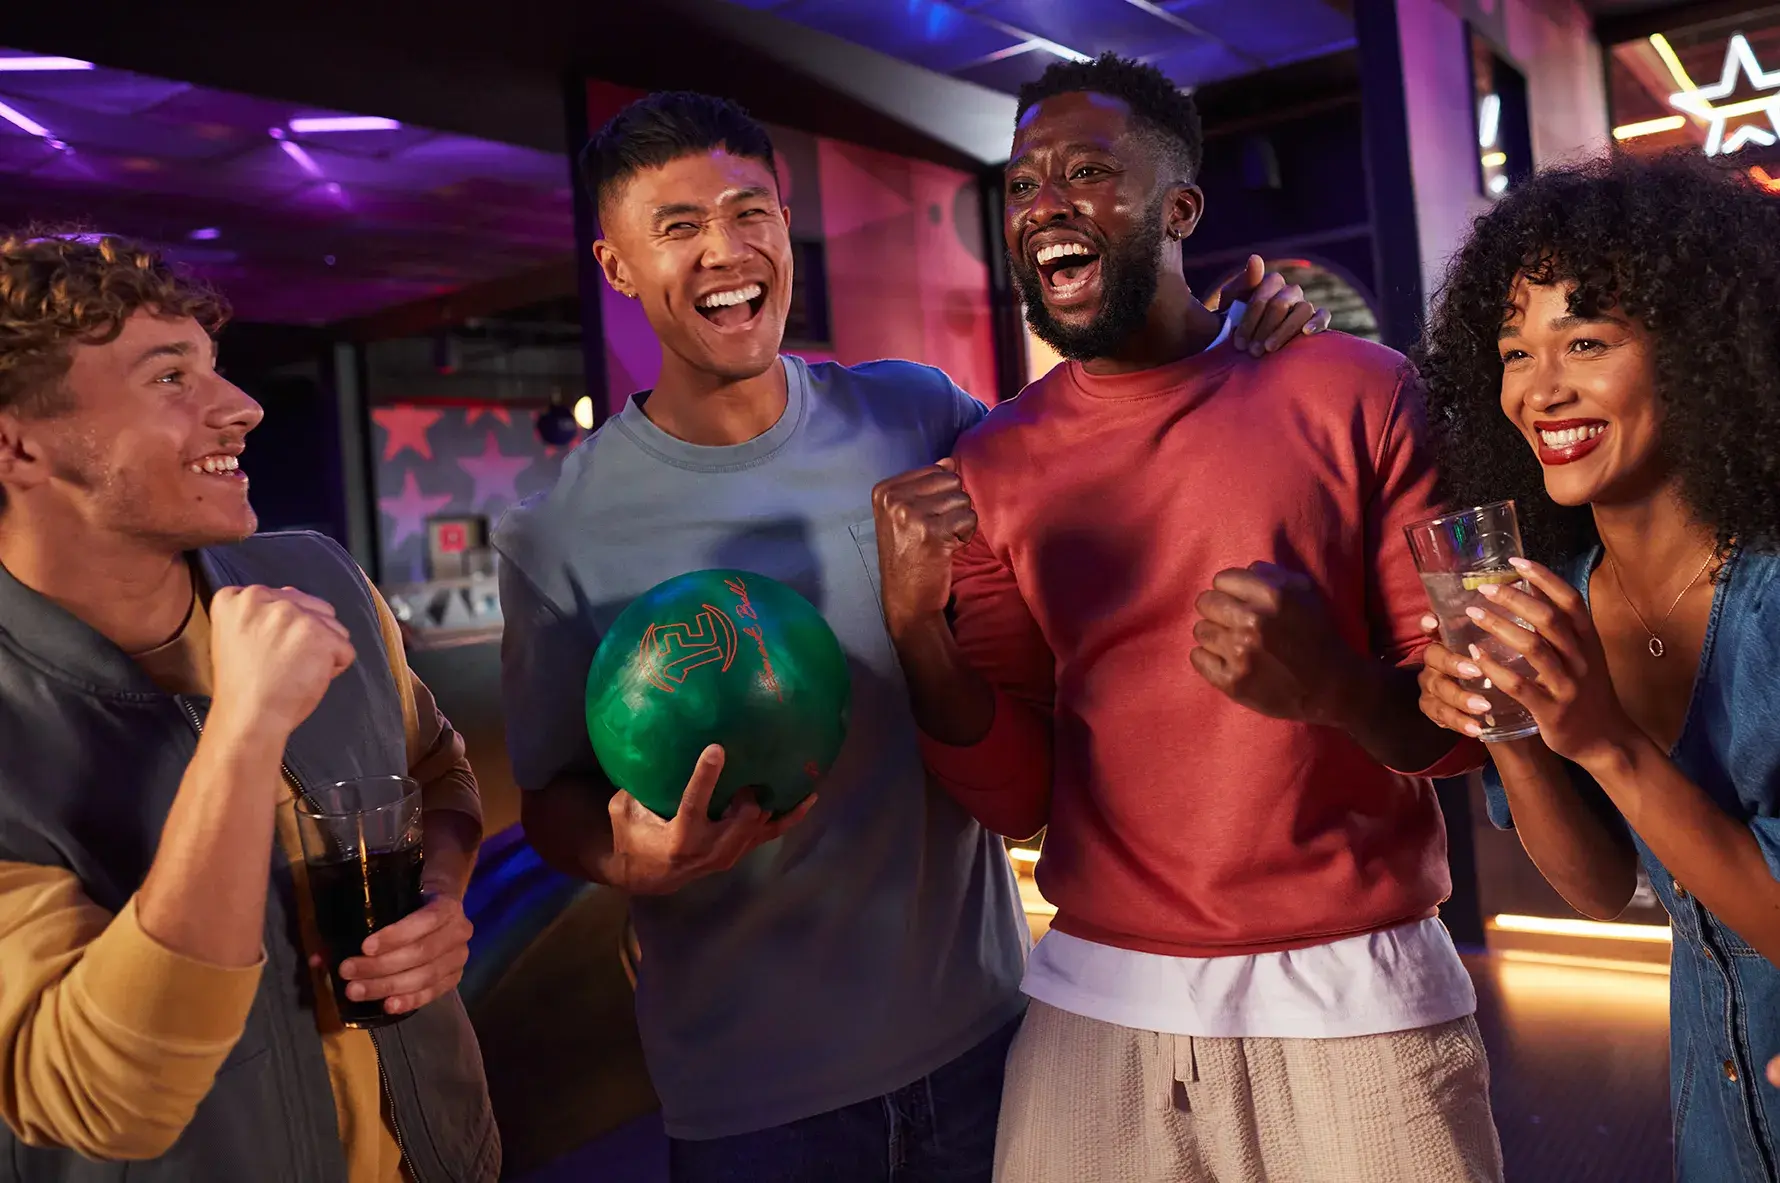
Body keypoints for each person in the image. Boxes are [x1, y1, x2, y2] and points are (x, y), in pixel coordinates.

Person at [494, 89, 1327, 1182]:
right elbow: (551, 796)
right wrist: (623, 856)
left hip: (988, 1033)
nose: (725, 253)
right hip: (751, 1095)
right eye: (679, 228)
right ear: (616, 267)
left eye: (749, 214)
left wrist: (1225, 340)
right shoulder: (558, 529)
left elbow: (1097, 448)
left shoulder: (915, 413)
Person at [873, 54, 1502, 1183]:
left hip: (1357, 992)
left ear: (1180, 209)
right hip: (1097, 1005)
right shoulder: (990, 463)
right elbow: (1018, 798)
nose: (1046, 204)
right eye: (1023, 185)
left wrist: (1336, 687)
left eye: (1086, 173)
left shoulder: (1356, 389)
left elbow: (1463, 728)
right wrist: (918, 633)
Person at [0, 231, 497, 1182]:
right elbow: (106, 1092)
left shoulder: (316, 573)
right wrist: (243, 728)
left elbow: (438, 767)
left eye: (215, 368)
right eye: (170, 378)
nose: (242, 407)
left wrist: (439, 893)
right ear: (20, 442)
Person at [1412, 151, 1780, 1179]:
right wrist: (1513, 728)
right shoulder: (1558, 583)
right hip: (1715, 1121)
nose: (1542, 389)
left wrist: (1609, 741)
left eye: (1585, 340)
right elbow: (1598, 882)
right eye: (1513, 350)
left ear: (1700, 349)